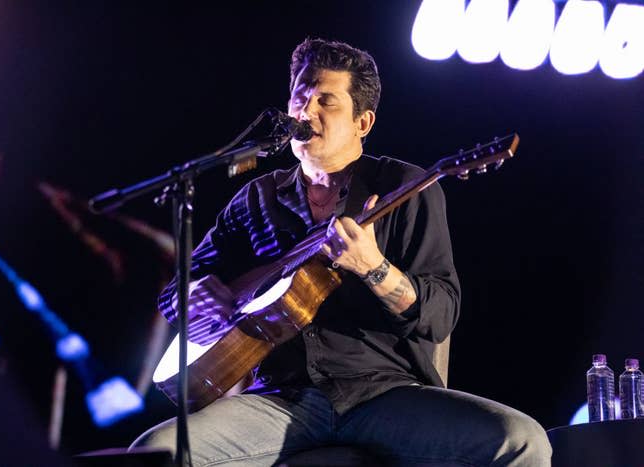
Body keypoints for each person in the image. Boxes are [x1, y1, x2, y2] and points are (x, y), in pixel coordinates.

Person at [131, 38, 551, 466]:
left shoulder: (405, 188)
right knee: (154, 453)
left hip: (383, 394)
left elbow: (441, 312)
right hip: (279, 399)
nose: (305, 112)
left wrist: (375, 269)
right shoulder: (257, 197)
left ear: (362, 122)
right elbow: (175, 292)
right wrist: (196, 291)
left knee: (519, 439)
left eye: (325, 101)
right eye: (300, 97)